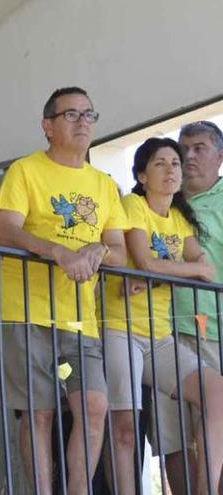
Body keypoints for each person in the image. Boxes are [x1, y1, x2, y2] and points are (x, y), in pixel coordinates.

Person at [0, 87, 129, 494]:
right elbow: (5, 229)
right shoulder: (25, 170)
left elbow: (119, 251)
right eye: (71, 114)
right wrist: (60, 253)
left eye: (89, 114)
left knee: (93, 406)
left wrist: (96, 249)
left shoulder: (104, 184)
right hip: (24, 312)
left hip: (80, 320)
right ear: (47, 126)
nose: (83, 121)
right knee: (39, 414)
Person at [101, 137, 223, 494]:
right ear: (141, 175)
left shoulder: (181, 218)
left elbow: (209, 271)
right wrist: (179, 270)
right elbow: (147, 261)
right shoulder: (133, 206)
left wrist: (153, 280)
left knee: (216, 392)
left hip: (160, 336)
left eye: (175, 163)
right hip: (119, 329)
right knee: (125, 426)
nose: (172, 169)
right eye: (160, 163)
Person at [161, 120, 223, 494]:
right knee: (172, 438)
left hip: (213, 329)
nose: (189, 156)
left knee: (217, 427)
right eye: (184, 149)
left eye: (199, 148)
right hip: (161, 332)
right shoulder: (163, 199)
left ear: (220, 155)